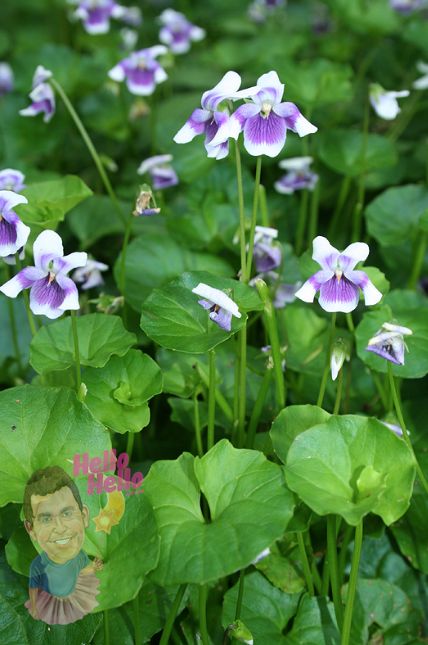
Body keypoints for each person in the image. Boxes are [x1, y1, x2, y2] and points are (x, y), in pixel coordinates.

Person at [23, 465, 103, 625]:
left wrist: (94, 567)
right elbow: (34, 587)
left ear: (84, 516)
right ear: (30, 529)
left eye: (67, 513)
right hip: (49, 600)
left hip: (75, 596)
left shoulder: (79, 555)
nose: (60, 528)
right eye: (46, 519)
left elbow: (83, 572)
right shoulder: (39, 563)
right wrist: (33, 605)